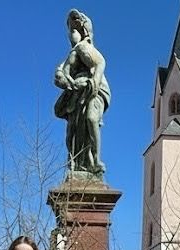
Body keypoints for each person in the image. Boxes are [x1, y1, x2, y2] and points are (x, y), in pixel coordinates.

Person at [53, 8, 111, 177]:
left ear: (84, 32)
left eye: (75, 30)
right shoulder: (71, 54)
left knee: (91, 119)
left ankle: (95, 160)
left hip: (94, 89)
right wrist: (62, 79)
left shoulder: (83, 47)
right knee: (72, 132)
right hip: (76, 94)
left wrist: (94, 81)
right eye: (70, 31)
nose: (71, 34)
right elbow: (59, 76)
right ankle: (78, 163)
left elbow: (100, 63)